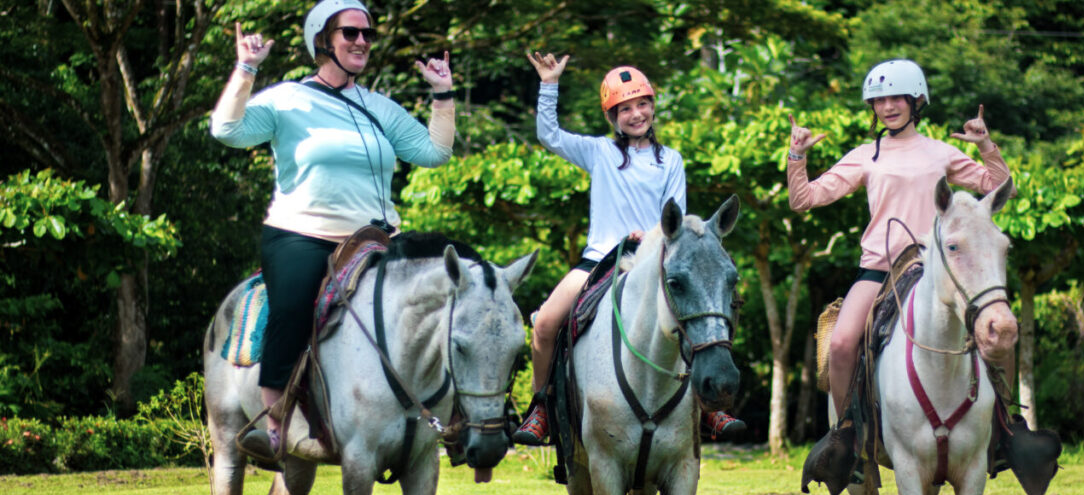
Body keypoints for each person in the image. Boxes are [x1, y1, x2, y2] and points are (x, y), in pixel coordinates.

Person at [210, 0, 457, 463]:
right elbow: (226, 129)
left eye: (367, 34)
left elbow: (433, 153)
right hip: (301, 233)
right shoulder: (286, 99)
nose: (361, 41)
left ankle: (447, 417)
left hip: (374, 238)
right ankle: (274, 419)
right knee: (295, 303)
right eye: (350, 33)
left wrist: (442, 95)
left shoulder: (381, 107)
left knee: (435, 298)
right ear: (323, 40)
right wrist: (245, 69)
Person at [512, 52, 744, 445]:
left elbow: (677, 218)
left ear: (653, 107)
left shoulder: (671, 160)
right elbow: (549, 135)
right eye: (625, 108)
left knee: (702, 311)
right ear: (612, 116)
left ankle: (709, 407)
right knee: (546, 323)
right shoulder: (599, 152)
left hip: (651, 262)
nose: (636, 114)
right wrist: (549, 84)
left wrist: (652, 234)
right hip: (600, 261)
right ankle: (542, 408)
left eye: (643, 104)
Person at [787, 59, 1014, 420]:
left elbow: (998, 187)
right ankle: (847, 437)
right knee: (842, 344)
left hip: (938, 272)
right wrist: (797, 156)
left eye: (897, 98)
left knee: (998, 329)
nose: (888, 107)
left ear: (916, 101)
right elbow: (803, 200)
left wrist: (986, 145)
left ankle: (1005, 431)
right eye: (879, 101)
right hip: (879, 272)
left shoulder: (941, 152)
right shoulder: (866, 156)